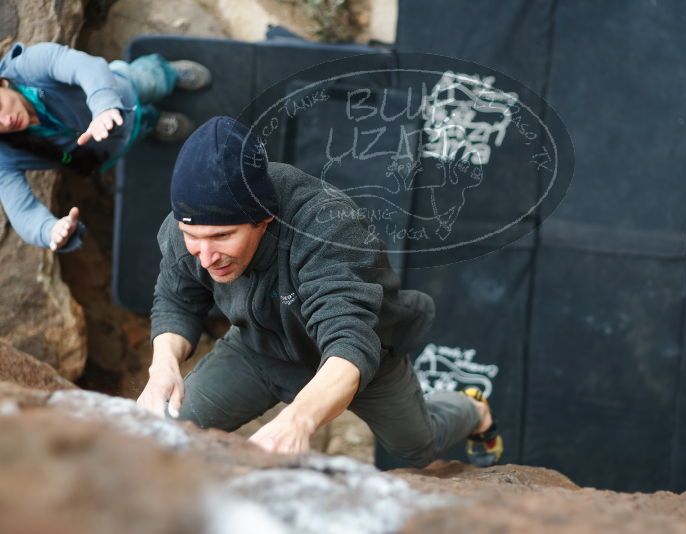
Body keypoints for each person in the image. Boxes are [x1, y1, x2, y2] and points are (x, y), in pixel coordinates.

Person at [136, 116, 504, 467]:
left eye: (222, 237)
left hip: (361, 358)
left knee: (418, 448)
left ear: (263, 219)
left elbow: (349, 342)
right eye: (192, 237)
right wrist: (163, 365)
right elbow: (176, 299)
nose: (205, 257)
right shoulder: (187, 229)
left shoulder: (328, 227)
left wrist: (298, 418)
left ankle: (474, 410)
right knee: (165, 432)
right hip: (258, 348)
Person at [0, 42, 211, 252]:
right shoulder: (4, 156)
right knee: (140, 128)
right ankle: (154, 121)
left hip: (121, 88)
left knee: (150, 80)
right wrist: (48, 230)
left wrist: (103, 105)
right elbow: (21, 210)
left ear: (2, 83)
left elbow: (82, 66)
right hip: (109, 146)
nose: (6, 121)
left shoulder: (29, 65)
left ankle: (169, 74)